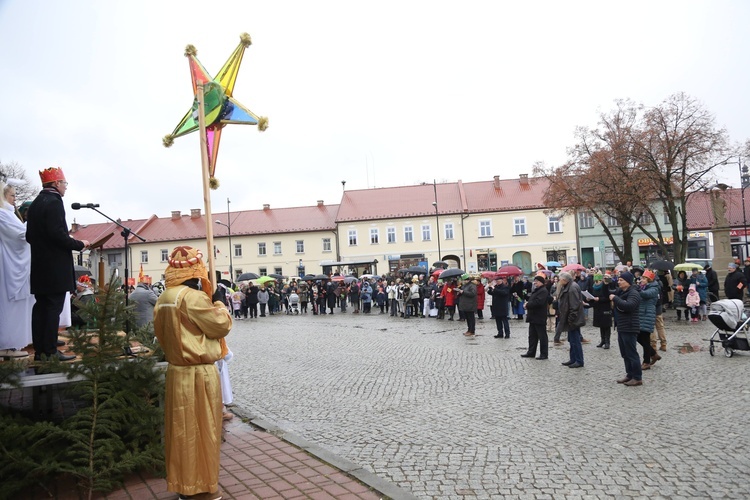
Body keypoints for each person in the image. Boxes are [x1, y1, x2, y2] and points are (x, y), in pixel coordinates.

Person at [153, 246, 232, 500]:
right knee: (202, 430)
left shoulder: (164, 297)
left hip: (177, 373)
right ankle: (202, 488)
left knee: (181, 432)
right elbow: (220, 326)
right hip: (198, 374)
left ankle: (184, 484)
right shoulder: (193, 297)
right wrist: (219, 301)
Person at [26, 167, 89, 362]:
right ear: (55, 184)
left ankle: (41, 350)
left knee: (41, 308)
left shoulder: (35, 204)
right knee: (53, 308)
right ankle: (51, 351)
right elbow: (57, 235)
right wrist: (79, 244)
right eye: (64, 184)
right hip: (54, 268)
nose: (66, 188)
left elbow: (30, 236)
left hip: (39, 266)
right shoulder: (54, 202)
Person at [0, 182, 33, 357]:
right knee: (7, 305)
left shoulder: (8, 214)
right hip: (7, 264)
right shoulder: (2, 214)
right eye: (12, 195)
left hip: (14, 264)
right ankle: (6, 345)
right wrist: (34, 224)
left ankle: (13, 343)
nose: (15, 199)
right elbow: (20, 236)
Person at [610, 272, 643, 386]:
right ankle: (629, 374)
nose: (618, 282)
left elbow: (629, 306)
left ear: (628, 282)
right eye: (618, 280)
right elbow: (610, 293)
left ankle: (637, 377)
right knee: (624, 353)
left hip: (630, 326)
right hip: (622, 326)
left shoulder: (634, 293)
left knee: (631, 353)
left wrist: (615, 299)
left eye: (621, 280)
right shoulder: (621, 292)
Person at [555, 272, 585, 368]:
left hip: (573, 319)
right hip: (569, 317)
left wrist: (570, 319)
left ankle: (579, 360)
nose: (559, 281)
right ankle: (573, 359)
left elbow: (574, 306)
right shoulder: (568, 286)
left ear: (565, 280)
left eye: (560, 279)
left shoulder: (572, 288)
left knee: (575, 340)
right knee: (571, 340)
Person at [637, 270, 661, 370]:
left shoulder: (654, 288)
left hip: (647, 314)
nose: (641, 280)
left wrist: (638, 289)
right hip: (641, 314)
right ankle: (653, 354)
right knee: (639, 337)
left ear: (648, 279)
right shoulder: (644, 287)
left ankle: (646, 362)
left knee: (645, 339)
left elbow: (645, 295)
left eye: (643, 278)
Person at [521, 275, 549, 359]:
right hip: (533, 317)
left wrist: (528, 305)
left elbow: (538, 302)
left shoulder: (543, 291)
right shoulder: (537, 290)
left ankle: (544, 354)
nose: (535, 283)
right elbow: (532, 299)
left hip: (539, 317)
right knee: (532, 336)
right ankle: (531, 352)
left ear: (540, 282)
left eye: (536, 281)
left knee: (542, 336)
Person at [588, 273, 612, 349]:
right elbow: (592, 296)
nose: (596, 282)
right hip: (597, 308)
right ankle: (603, 340)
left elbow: (608, 297)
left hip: (605, 308)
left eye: (598, 280)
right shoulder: (594, 287)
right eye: (595, 281)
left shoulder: (605, 286)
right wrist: (589, 299)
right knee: (601, 325)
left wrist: (599, 299)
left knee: (606, 325)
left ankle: (607, 341)